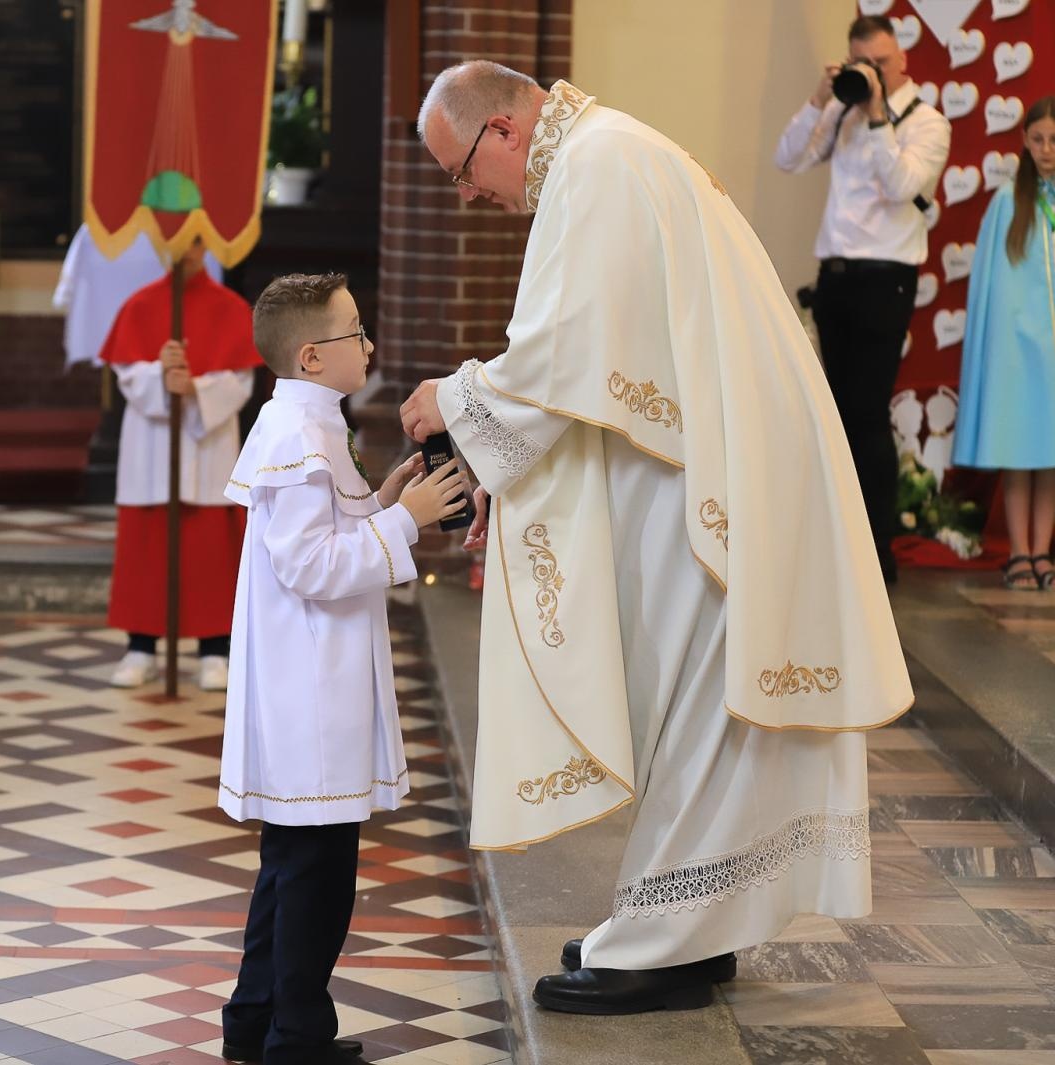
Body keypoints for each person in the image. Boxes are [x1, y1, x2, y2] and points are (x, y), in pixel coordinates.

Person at [401, 61, 912, 1015]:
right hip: (718, 464)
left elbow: (562, 350)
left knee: (703, 706)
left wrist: (454, 399)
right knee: (703, 702)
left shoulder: (597, 165)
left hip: (717, 481)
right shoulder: (606, 153)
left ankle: (660, 944)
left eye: (464, 170)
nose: (468, 195)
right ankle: (687, 925)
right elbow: (610, 355)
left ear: (504, 130)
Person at [218, 273, 468, 1063]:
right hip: (307, 687)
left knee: (292, 864)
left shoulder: (309, 421)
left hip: (309, 676)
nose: (370, 343)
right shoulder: (297, 441)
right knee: (317, 875)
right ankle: (296, 1038)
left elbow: (326, 529)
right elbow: (314, 567)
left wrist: (382, 498)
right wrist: (405, 519)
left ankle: (255, 1021)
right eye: (356, 331)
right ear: (312, 355)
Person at [775, 14, 952, 583]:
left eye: (878, 63)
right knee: (834, 415)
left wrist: (877, 115)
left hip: (887, 279)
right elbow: (789, 157)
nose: (870, 73)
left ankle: (878, 555)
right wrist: (820, 98)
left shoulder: (928, 122)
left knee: (869, 415)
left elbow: (903, 187)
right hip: (836, 277)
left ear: (900, 59)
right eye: (860, 63)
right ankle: (838, 545)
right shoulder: (842, 108)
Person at [953, 96, 1055, 591]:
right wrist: (1014, 339)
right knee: (1020, 450)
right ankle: (1019, 553)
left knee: (1052, 456)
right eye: (1037, 139)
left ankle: (1043, 552)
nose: (1046, 149)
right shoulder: (1007, 202)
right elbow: (994, 286)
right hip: (1019, 350)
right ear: (1024, 141)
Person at [100, 238, 261, 691]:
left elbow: (241, 380)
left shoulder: (229, 307)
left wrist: (195, 388)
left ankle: (214, 651)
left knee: (212, 547)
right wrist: (159, 375)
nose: (186, 250)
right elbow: (128, 375)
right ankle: (141, 647)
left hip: (208, 445)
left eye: (195, 240)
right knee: (148, 546)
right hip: (152, 445)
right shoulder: (141, 305)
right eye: (176, 240)